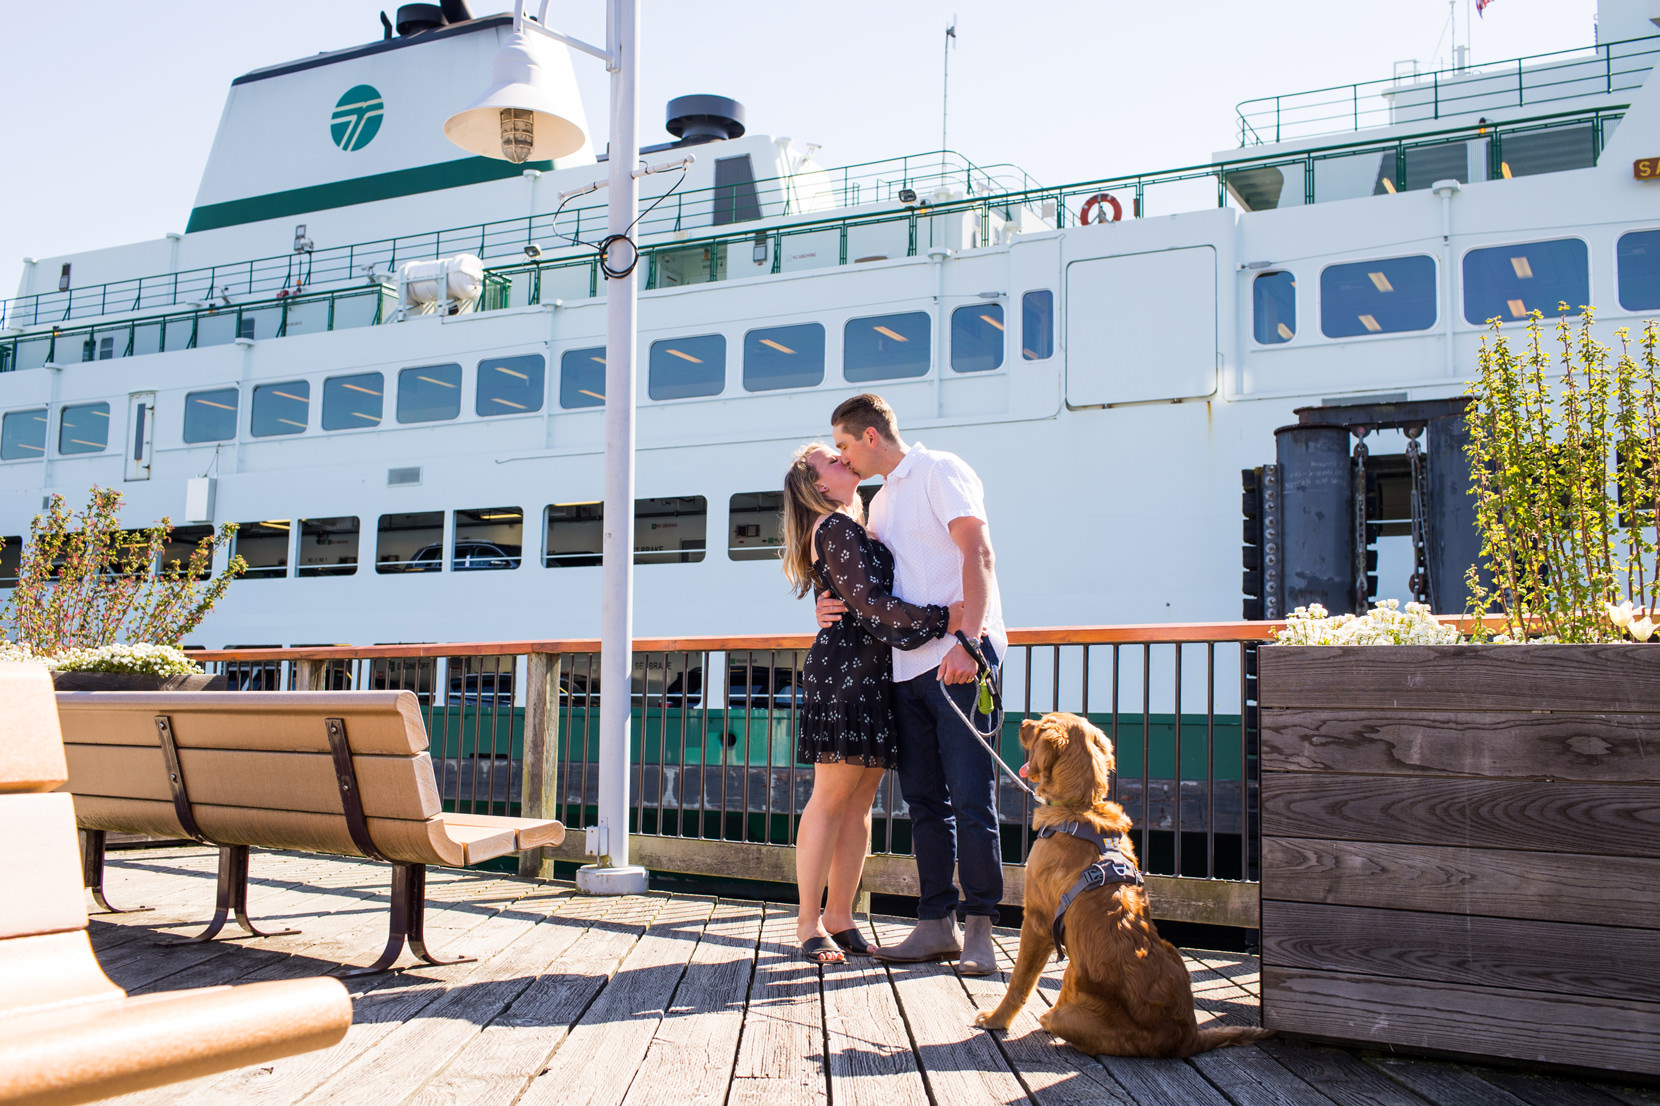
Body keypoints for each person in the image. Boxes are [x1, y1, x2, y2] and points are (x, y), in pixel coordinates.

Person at [820, 393, 1007, 975]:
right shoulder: (877, 505)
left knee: (973, 799)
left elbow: (978, 552)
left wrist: (970, 642)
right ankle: (935, 925)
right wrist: (826, 609)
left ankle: (980, 932)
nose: (843, 460)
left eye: (846, 446)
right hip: (907, 669)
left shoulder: (939, 469)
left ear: (871, 436)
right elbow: (873, 590)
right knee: (926, 802)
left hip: (960, 656)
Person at [781, 441, 961, 965]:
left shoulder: (853, 523)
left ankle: (840, 916)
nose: (842, 461)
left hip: (872, 673)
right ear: (818, 485)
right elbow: (869, 605)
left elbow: (858, 599)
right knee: (832, 800)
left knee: (858, 806)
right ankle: (809, 924)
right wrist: (945, 617)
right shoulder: (835, 527)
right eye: (829, 460)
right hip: (847, 676)